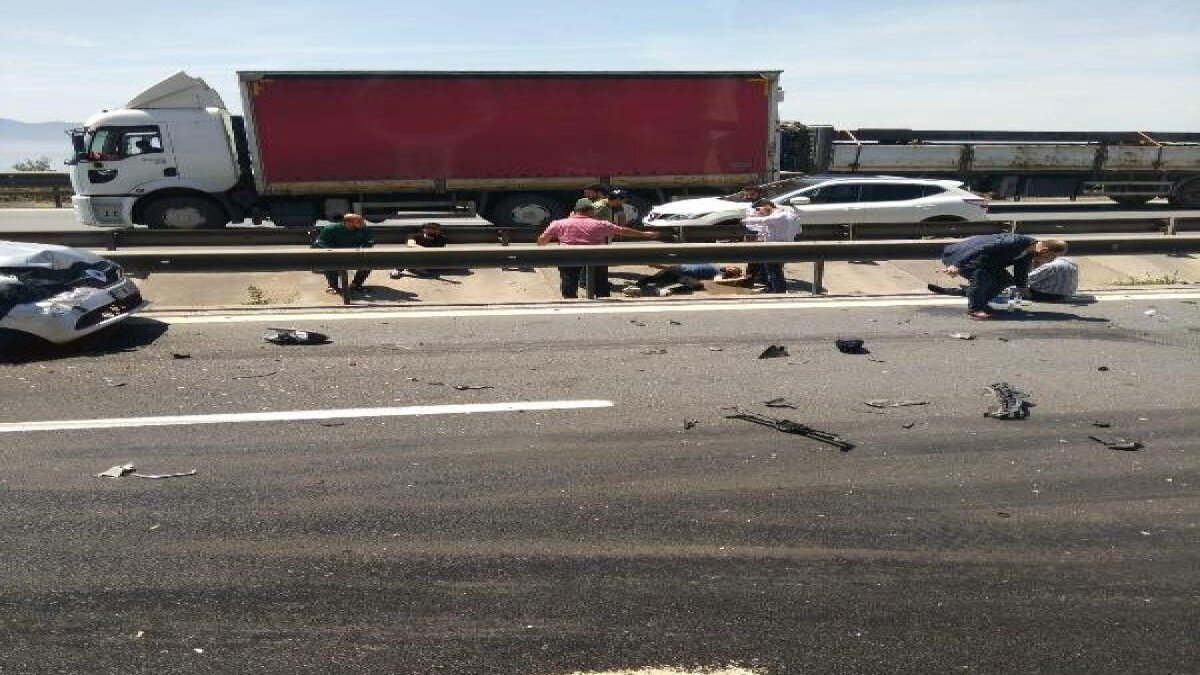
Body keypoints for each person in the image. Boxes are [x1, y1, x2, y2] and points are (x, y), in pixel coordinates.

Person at [537, 198, 660, 298]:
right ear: (590, 210)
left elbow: (542, 240)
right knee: (600, 280)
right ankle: (602, 297)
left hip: (569, 255)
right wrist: (644, 234)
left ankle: (569, 298)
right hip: (595, 255)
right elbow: (623, 231)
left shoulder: (559, 223)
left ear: (575, 210)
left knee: (568, 278)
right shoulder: (600, 224)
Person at [929, 234, 1068, 319]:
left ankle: (981, 302)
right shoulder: (1014, 241)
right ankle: (975, 309)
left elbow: (1021, 270)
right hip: (960, 256)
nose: (1051, 261)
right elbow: (980, 249)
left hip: (985, 262)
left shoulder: (1029, 251)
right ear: (1044, 251)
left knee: (1005, 280)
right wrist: (957, 265)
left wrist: (1022, 287)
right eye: (1052, 257)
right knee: (982, 277)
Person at [741, 199, 801, 294]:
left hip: (775, 247)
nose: (758, 213)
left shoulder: (780, 215)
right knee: (774, 270)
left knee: (774, 271)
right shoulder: (792, 215)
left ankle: (778, 292)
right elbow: (798, 231)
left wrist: (744, 221)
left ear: (767, 206)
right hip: (786, 245)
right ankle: (772, 288)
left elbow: (764, 220)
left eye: (758, 209)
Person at [312, 212, 374, 294]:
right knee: (329, 263)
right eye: (358, 221)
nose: (362, 222)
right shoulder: (331, 228)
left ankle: (356, 285)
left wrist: (363, 252)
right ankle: (333, 286)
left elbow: (369, 243)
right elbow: (320, 243)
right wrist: (332, 253)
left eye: (361, 220)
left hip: (352, 254)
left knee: (368, 263)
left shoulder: (364, 229)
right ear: (348, 222)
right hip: (334, 254)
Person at [623, 263, 743, 297]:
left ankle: (669, 290)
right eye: (733, 267)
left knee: (698, 285)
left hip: (681, 273)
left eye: (734, 271)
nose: (732, 269)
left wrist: (738, 278)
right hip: (678, 270)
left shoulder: (719, 273)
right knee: (656, 278)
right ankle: (637, 285)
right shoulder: (717, 267)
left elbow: (718, 281)